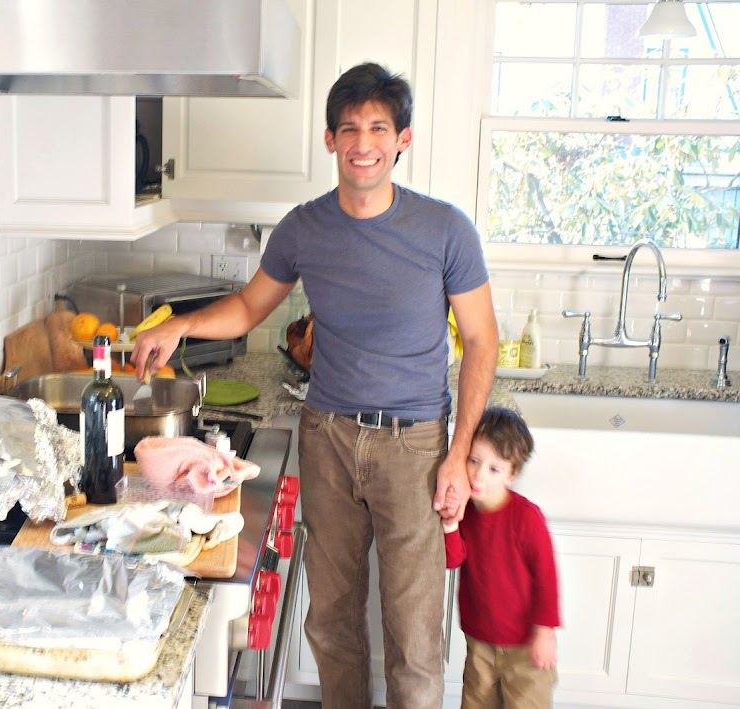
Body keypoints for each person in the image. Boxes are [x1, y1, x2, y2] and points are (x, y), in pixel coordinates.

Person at [132, 62, 498, 709]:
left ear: (402, 139)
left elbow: (482, 343)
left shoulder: (445, 230)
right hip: (328, 437)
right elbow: (247, 307)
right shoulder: (303, 228)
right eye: (350, 127)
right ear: (330, 139)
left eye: (378, 127)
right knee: (331, 618)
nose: (363, 141)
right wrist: (178, 325)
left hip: (413, 443)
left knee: (415, 634)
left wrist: (458, 454)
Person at [444, 407, 560, 709]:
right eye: (474, 461)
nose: (479, 475)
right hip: (480, 641)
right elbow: (453, 559)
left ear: (512, 474)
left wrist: (545, 632)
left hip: (526, 646)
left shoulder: (526, 518)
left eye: (494, 469)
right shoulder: (466, 511)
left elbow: (546, 577)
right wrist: (450, 523)